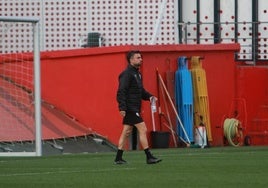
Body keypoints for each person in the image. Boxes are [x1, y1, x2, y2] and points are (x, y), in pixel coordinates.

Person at [114, 50, 162, 165]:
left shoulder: (137, 74)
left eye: (141, 57)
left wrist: (150, 97)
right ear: (131, 60)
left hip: (134, 107)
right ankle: (149, 156)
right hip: (131, 108)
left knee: (126, 131)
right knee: (143, 129)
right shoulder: (127, 74)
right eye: (138, 57)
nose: (141, 59)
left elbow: (140, 91)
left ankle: (118, 158)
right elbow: (121, 91)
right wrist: (122, 107)